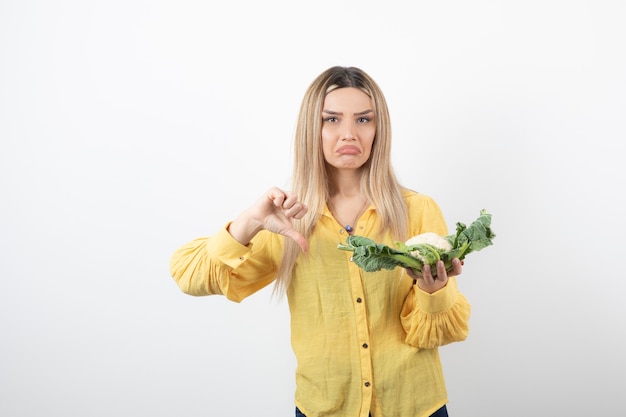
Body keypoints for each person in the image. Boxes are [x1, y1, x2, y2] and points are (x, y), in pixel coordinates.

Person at [169, 66, 471, 417]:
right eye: (331, 120)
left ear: (379, 129)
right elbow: (188, 276)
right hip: (324, 407)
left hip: (414, 406)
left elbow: (436, 334)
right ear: (312, 129)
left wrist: (434, 292)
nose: (348, 134)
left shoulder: (417, 210)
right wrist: (250, 221)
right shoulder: (286, 220)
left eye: (363, 120)